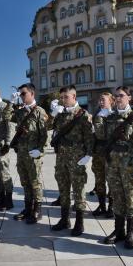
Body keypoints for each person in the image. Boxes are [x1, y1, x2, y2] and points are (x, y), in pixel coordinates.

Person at [102, 86, 133, 249]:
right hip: (113, 165)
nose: (118, 98)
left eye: (121, 95)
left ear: (129, 97)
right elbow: (104, 139)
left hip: (130, 166)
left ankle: (130, 232)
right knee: (117, 197)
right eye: (116, 96)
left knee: (131, 199)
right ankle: (118, 230)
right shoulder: (110, 117)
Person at [50, 85, 93, 236]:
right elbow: (51, 129)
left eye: (66, 97)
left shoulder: (83, 114)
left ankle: (79, 223)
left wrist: (89, 154)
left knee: (78, 189)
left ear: (74, 97)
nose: (63, 100)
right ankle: (64, 219)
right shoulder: (60, 114)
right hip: (61, 157)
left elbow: (89, 137)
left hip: (77, 158)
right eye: (61, 97)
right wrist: (54, 114)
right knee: (63, 188)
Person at [10, 83, 48, 224]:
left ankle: (37, 210)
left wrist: (40, 150)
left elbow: (44, 135)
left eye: (23, 93)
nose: (21, 96)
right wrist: (11, 103)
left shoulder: (40, 112)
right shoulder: (20, 112)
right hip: (21, 153)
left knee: (35, 182)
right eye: (20, 94)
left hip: (33, 154)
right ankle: (27, 208)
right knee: (25, 181)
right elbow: (6, 117)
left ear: (32, 94)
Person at [91, 92, 114, 218]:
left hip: (109, 152)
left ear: (111, 101)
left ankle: (111, 206)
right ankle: (101, 205)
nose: (101, 102)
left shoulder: (114, 115)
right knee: (99, 179)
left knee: (111, 179)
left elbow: (105, 134)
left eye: (103, 100)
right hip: (97, 151)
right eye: (100, 99)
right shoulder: (96, 114)